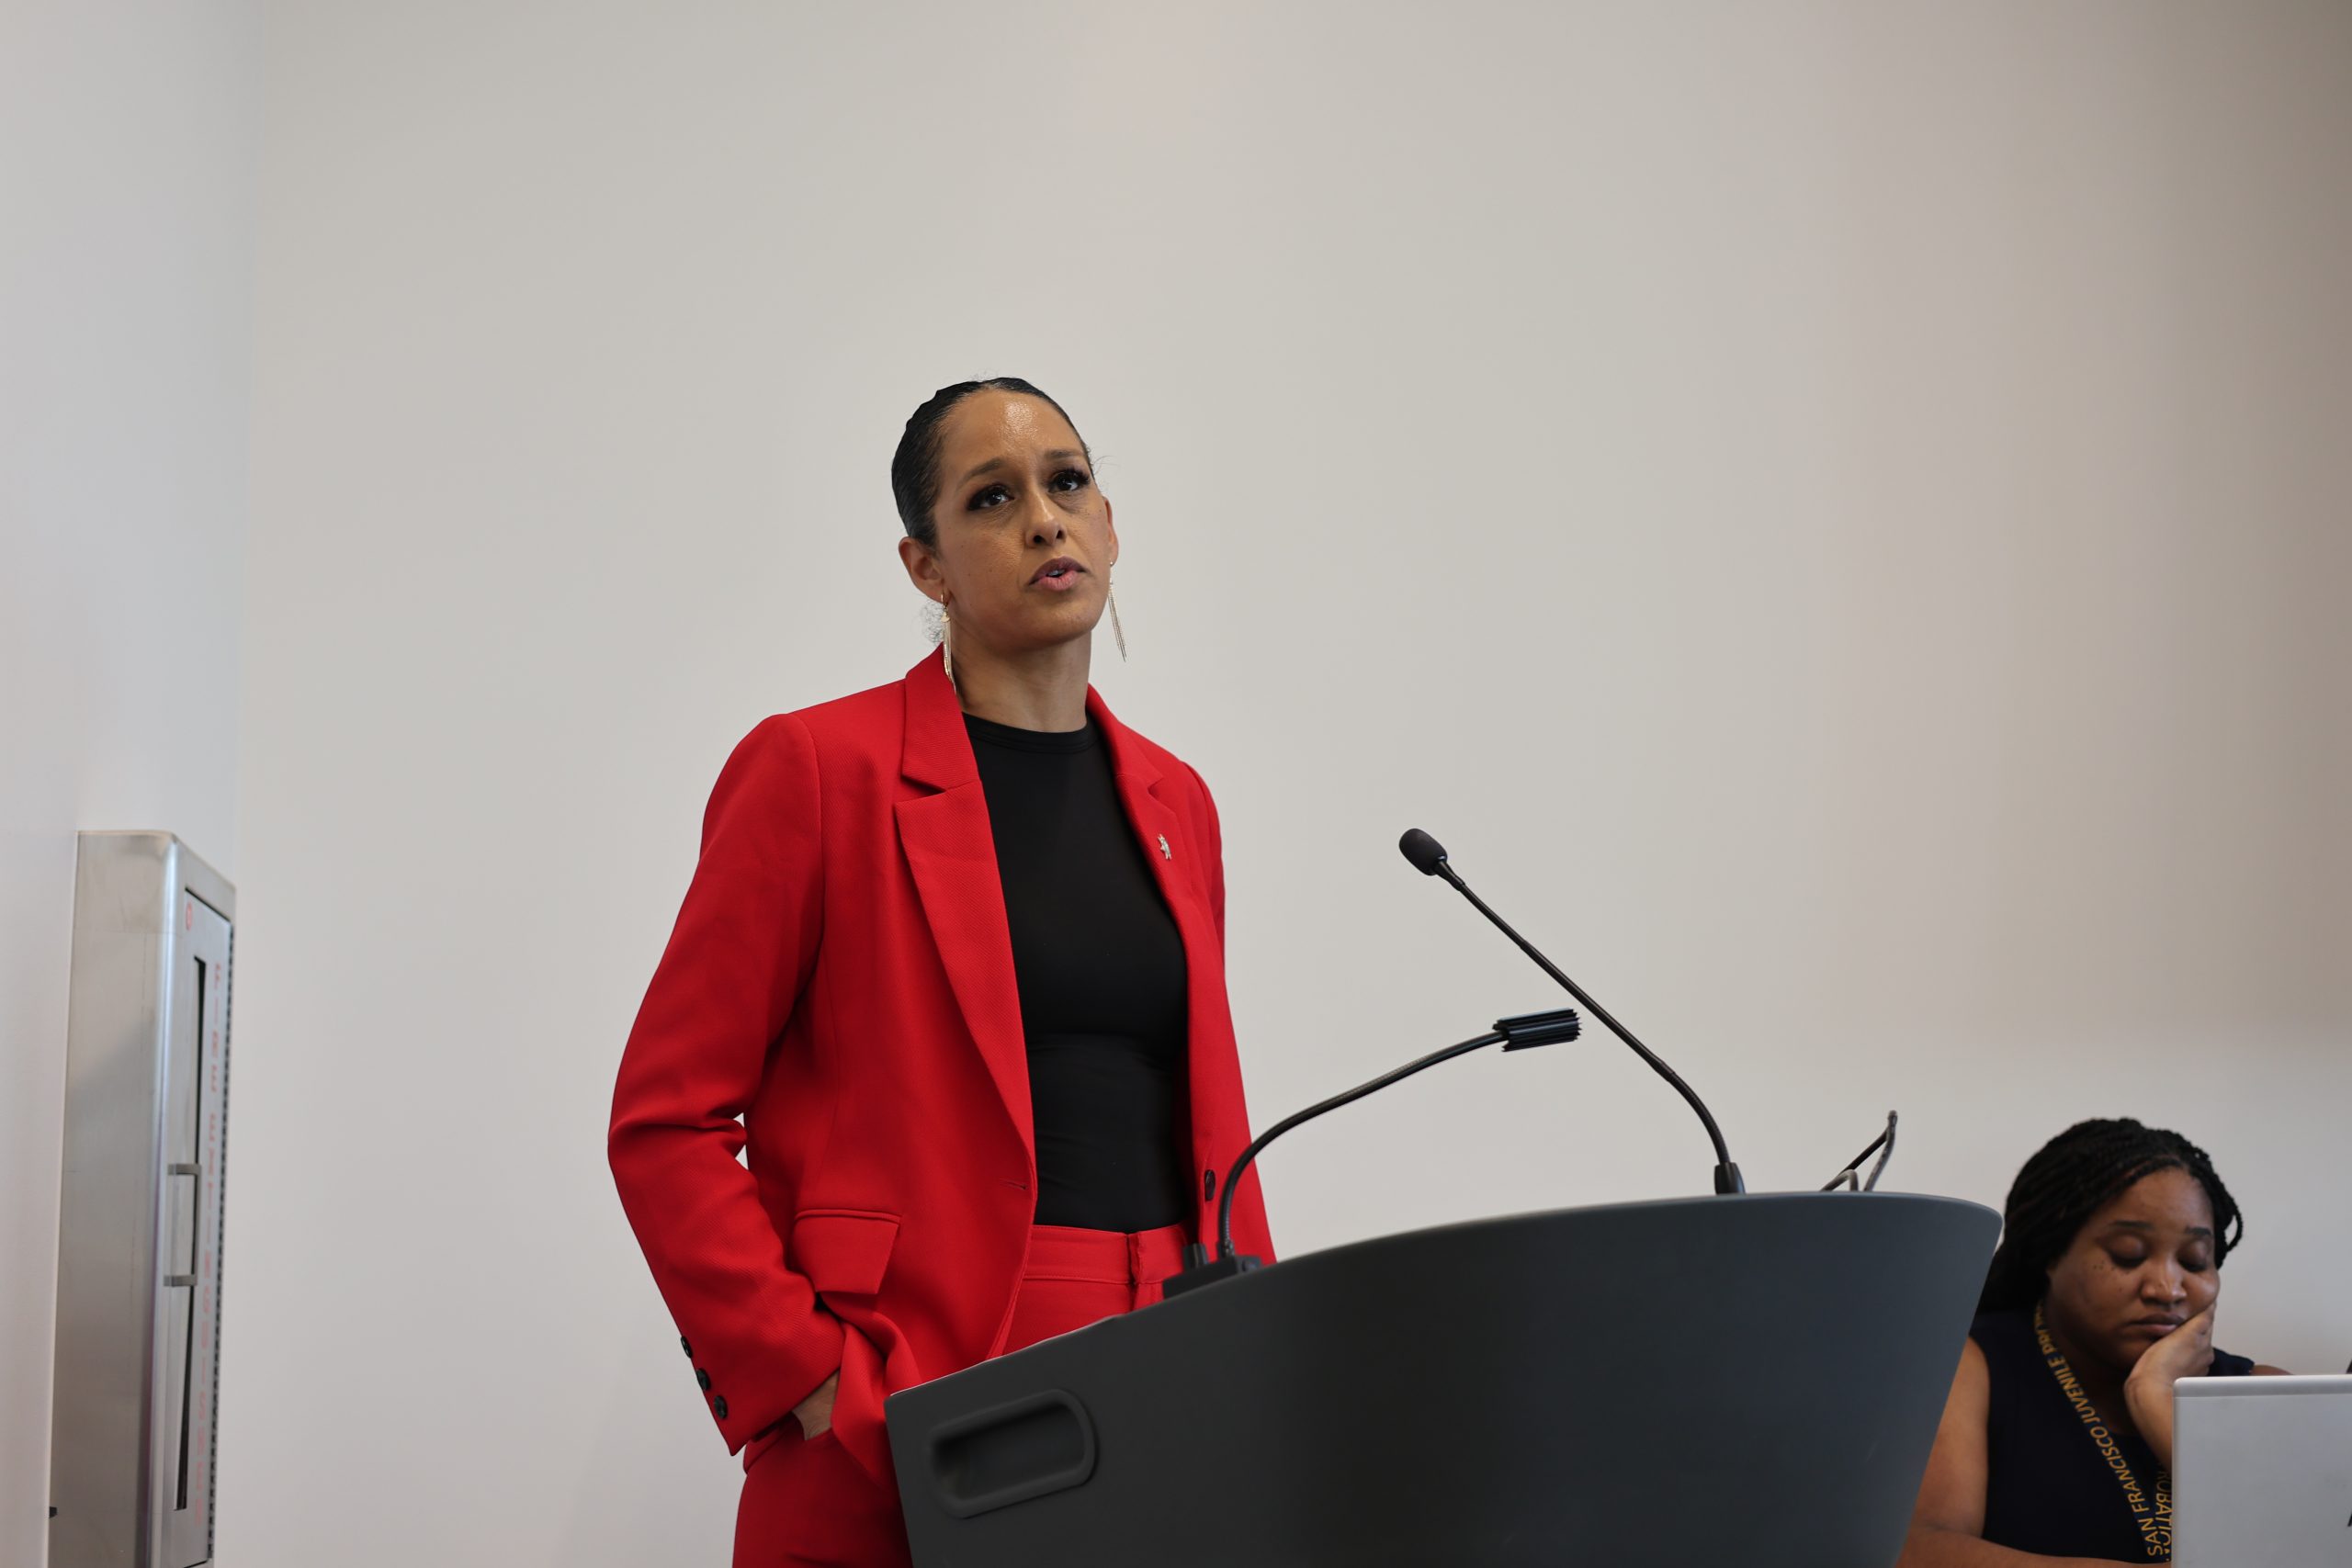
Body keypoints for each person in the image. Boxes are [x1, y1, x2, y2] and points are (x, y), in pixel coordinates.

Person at [608, 378, 1274, 1567]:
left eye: (1068, 482)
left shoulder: (1181, 803)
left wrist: (1263, 1361)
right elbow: (666, 1117)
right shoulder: (816, 769)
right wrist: (811, 1376)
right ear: (927, 566)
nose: (1045, 519)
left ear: (1111, 520)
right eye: (993, 496)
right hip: (918, 1381)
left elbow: (1206, 1128)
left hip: (1176, 1369)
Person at [1902, 1118, 2288, 1565]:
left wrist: (2156, 1398)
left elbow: (2309, 1549)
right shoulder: (1972, 1366)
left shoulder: (2263, 1392)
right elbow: (1920, 1551)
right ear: (2051, 1254)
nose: (2168, 1288)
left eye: (2194, 1260)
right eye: (2128, 1254)